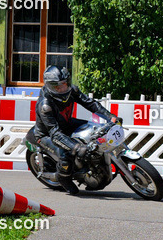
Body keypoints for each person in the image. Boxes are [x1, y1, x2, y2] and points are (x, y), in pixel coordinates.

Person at [33, 65, 121, 194]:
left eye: (65, 84)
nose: (63, 88)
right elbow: (55, 134)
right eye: (58, 86)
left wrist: (110, 116)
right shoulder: (45, 106)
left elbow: (90, 103)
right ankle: (63, 178)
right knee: (67, 153)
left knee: (96, 130)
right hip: (47, 134)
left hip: (67, 124)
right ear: (50, 86)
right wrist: (76, 148)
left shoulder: (72, 90)